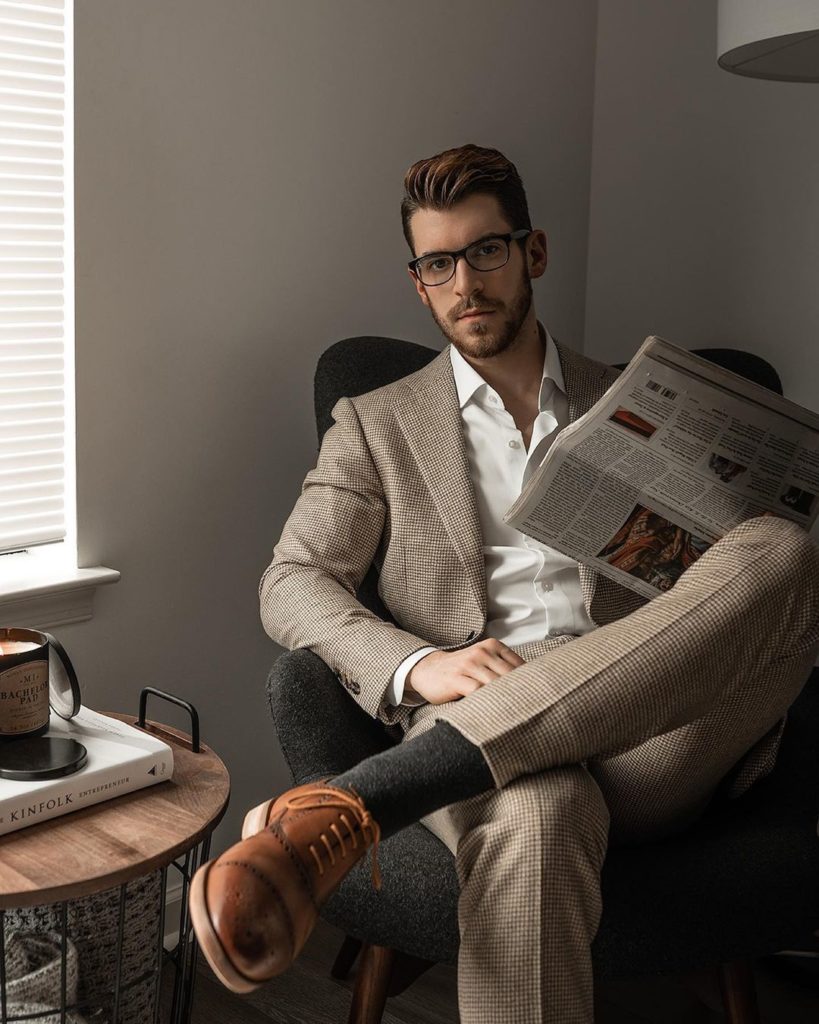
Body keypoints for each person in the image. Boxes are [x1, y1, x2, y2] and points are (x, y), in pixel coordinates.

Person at [188, 144, 819, 1024]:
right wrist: (418, 667)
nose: (465, 284)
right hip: (470, 711)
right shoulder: (374, 424)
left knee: (784, 550)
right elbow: (291, 581)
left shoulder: (637, 398)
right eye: (437, 264)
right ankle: (438, 766)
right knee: (539, 810)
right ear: (418, 282)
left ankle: (360, 803)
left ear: (534, 252)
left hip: (652, 729)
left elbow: (731, 590)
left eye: (485, 252)